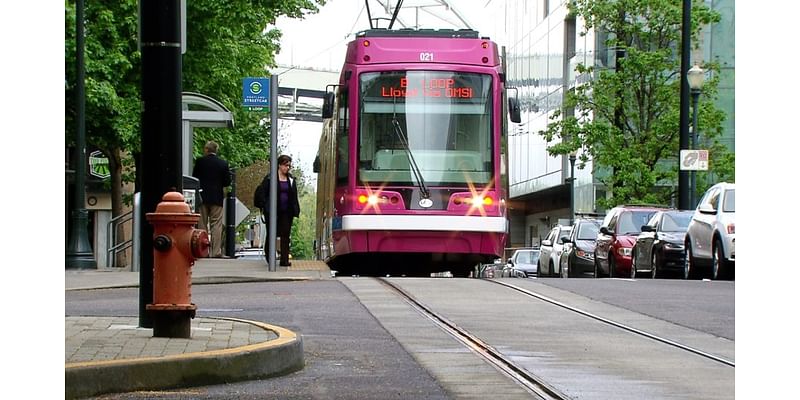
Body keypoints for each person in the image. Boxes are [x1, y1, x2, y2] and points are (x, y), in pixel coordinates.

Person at [257, 155, 301, 267]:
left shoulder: (290, 179)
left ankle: (284, 260)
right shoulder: (270, 178)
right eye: (286, 165)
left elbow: (294, 195)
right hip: (272, 212)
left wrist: (295, 209)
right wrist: (265, 206)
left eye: (289, 166)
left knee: (285, 235)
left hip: (287, 212)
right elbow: (263, 193)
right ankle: (270, 257)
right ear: (280, 165)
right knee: (272, 233)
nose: (287, 168)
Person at [192, 141, 231, 258]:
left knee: (202, 223)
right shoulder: (223, 163)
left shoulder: (200, 162)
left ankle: (202, 250)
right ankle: (215, 252)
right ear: (216, 150)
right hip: (216, 197)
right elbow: (227, 182)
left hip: (202, 196)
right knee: (216, 225)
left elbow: (194, 179)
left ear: (206, 150)